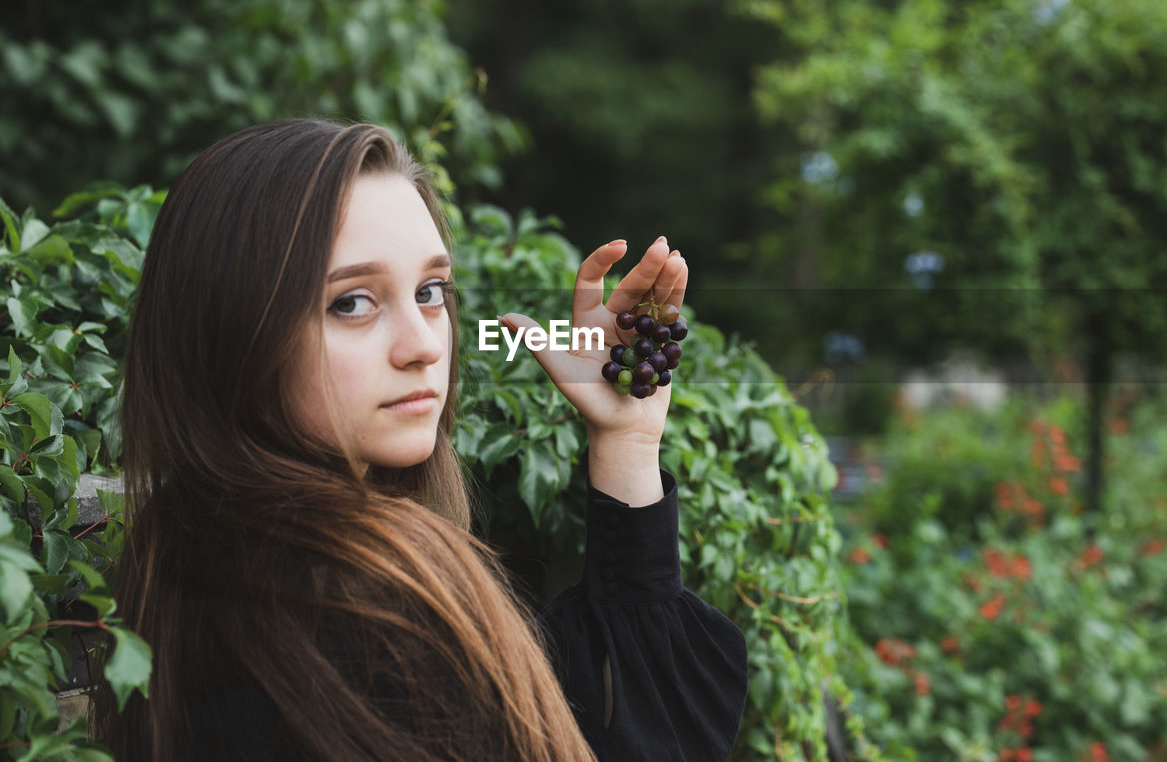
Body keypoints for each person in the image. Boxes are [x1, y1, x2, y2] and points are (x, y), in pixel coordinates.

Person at [89, 119, 748, 761]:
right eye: (352, 302)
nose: (424, 344)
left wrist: (626, 443)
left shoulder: (192, 562)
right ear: (231, 331)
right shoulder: (365, 614)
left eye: (431, 291)